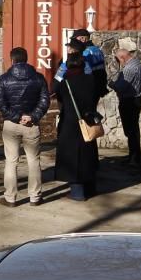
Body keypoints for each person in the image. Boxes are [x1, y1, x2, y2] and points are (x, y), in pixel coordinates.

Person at [0, 47, 49, 206]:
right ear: (26, 58)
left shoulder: (4, 79)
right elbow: (44, 101)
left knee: (11, 161)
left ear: (12, 60)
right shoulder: (38, 78)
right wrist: (33, 116)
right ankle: (35, 196)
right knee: (34, 160)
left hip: (11, 124)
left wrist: (16, 117)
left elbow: (0, 103)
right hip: (31, 124)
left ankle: (10, 197)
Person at [52, 52, 101, 201]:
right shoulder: (92, 80)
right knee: (88, 155)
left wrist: (61, 72)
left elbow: (54, 90)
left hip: (70, 123)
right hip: (88, 122)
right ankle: (90, 188)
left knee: (72, 157)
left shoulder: (65, 82)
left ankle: (77, 192)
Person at [109, 38, 141, 166]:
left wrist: (111, 83)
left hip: (129, 100)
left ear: (123, 57)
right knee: (133, 129)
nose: (119, 62)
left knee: (130, 130)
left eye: (118, 59)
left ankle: (134, 159)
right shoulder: (139, 65)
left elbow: (120, 86)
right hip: (136, 98)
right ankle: (133, 157)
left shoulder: (129, 69)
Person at [55, 28, 108, 99]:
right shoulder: (97, 50)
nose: (74, 42)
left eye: (75, 39)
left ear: (83, 38)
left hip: (88, 87)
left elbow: (80, 67)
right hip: (99, 84)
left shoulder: (86, 52)